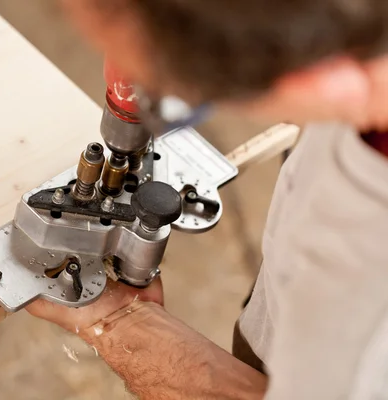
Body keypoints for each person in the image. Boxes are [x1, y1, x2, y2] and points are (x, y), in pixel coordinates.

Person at [28, 1, 388, 398]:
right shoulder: (360, 55)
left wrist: (118, 325)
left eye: (164, 97)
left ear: (317, 75)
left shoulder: (367, 319)